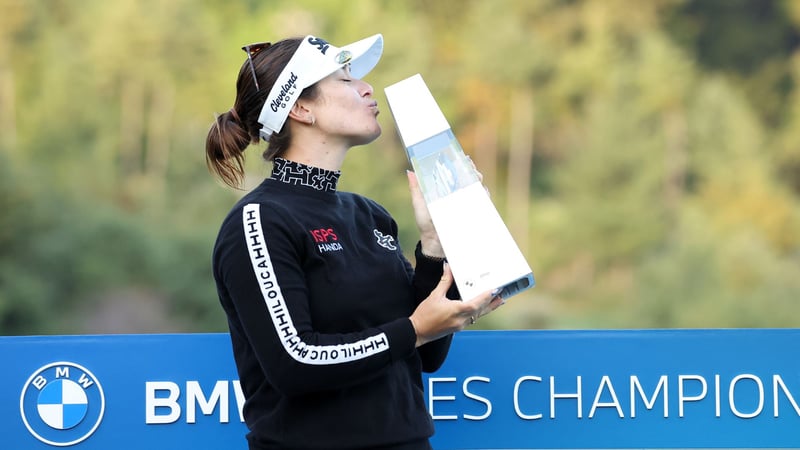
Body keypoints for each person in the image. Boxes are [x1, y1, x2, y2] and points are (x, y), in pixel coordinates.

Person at [205, 33, 504, 450]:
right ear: (300, 108)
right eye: (345, 80)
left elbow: (426, 355)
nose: (367, 87)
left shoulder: (371, 215)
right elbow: (294, 361)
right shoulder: (259, 221)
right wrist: (415, 330)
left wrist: (435, 245)